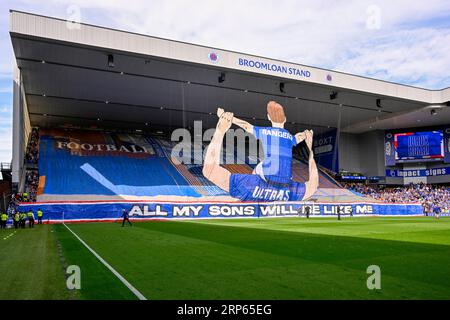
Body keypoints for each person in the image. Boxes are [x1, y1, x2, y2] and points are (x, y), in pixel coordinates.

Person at [203, 102, 319, 202]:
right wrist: (310, 149)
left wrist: (221, 128)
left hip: (258, 187)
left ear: (268, 117)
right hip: (283, 187)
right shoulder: (289, 137)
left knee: (256, 167)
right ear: (285, 119)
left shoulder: (265, 131)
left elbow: (246, 126)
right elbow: (313, 186)